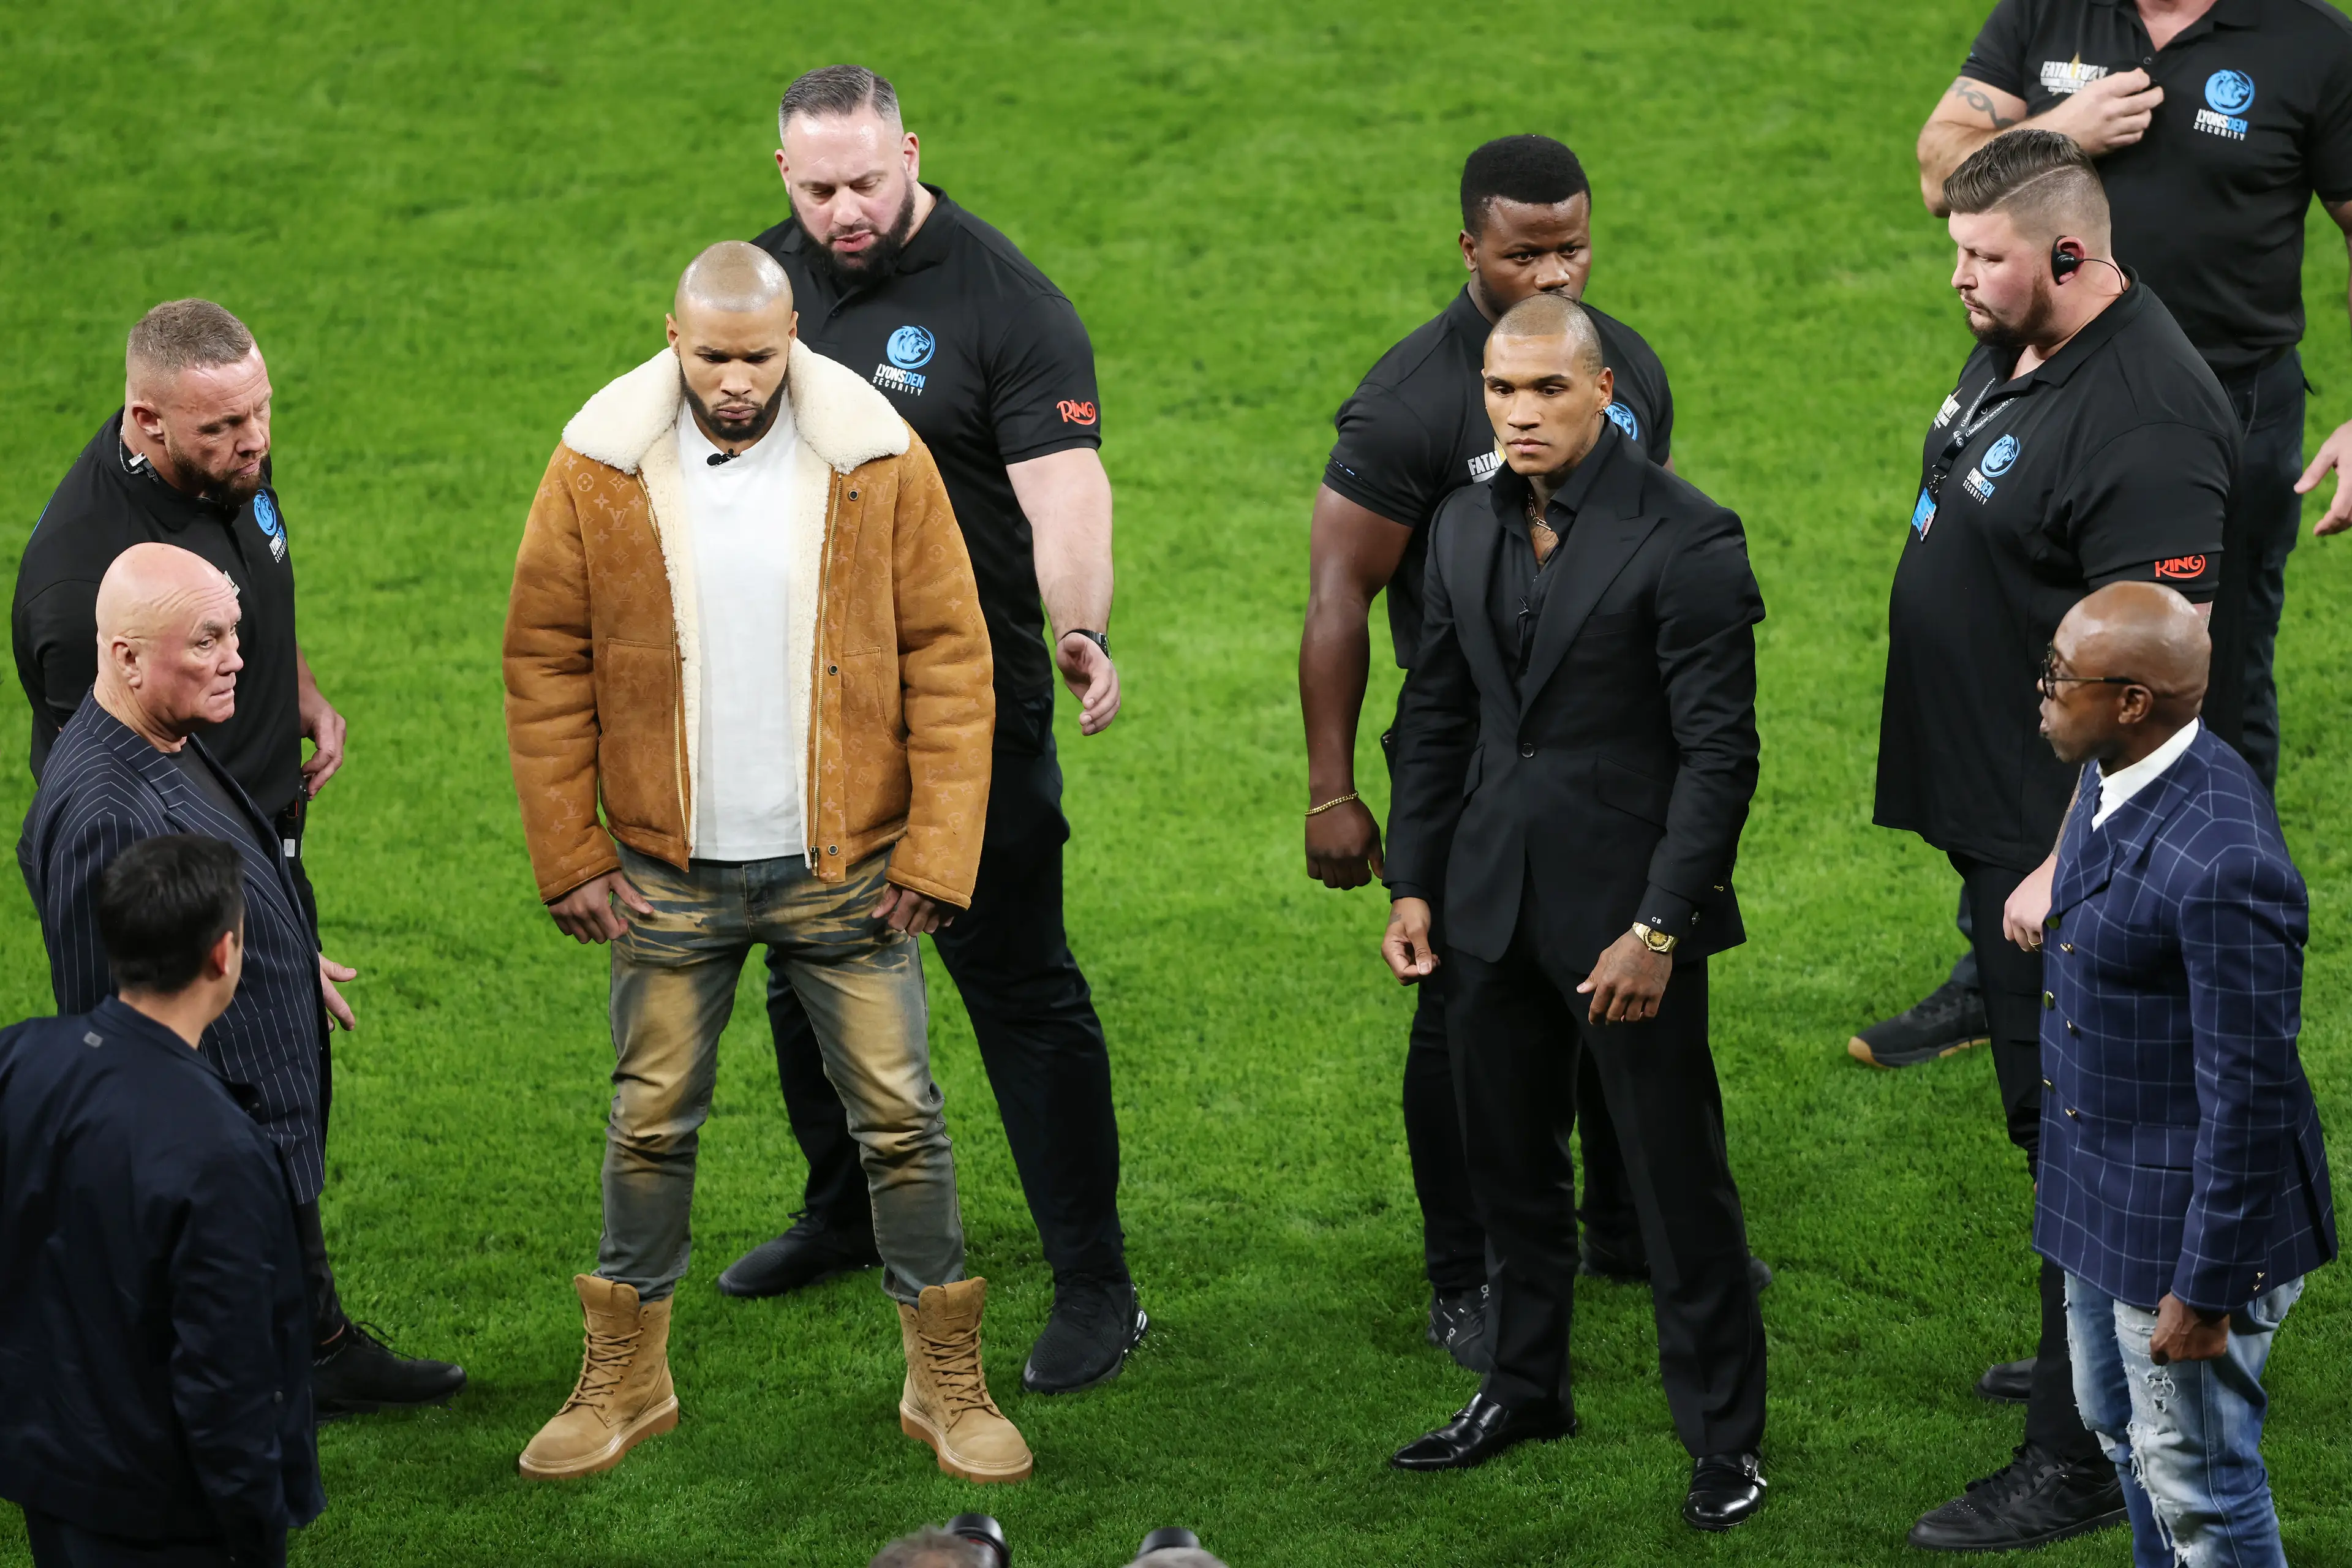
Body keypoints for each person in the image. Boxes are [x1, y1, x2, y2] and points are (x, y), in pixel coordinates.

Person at [503, 243, 1027, 1483]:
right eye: (715, 355)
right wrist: (571, 848)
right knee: (647, 1119)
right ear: (671, 337)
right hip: (662, 875)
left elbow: (954, 657)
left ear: (795, 336)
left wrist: (940, 851)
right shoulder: (595, 465)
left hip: (847, 869)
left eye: (761, 354)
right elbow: (544, 657)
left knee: (903, 1121)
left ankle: (945, 1380)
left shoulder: (878, 458)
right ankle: (626, 1373)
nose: (737, 381)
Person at [739, 62, 1142, 1397]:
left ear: (912, 150)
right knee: (800, 955)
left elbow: (1063, 492)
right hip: (799, 704)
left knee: (1020, 989)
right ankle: (842, 1210)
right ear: (781, 173)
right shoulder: (757, 286)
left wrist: (1079, 621)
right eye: (818, 187)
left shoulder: (1005, 305)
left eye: (867, 179)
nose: (845, 209)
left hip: (964, 714)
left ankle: (1098, 1284)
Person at [1874, 133, 2237, 1553]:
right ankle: (2087, 1342)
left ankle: (2074, 1457)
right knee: (2052, 1128)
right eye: (1954, 255)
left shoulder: (2145, 423)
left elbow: (2155, 678)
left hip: (2064, 841)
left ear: (2072, 258)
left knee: (2093, 1131)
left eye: (1983, 259)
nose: (1958, 279)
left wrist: (2059, 856)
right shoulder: (2018, 335)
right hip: (1998, 815)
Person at [1868, 0, 2352, 1068]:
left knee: (2197, 683)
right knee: (2034, 674)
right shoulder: (2049, 11)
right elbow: (1942, 162)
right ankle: (2006, 961)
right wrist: (2057, 134)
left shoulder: (2309, 42)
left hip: (2214, 413)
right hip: (2055, 375)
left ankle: (2205, 956)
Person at [9, 298, 459, 1418]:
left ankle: (307, 1339)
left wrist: (290, 684)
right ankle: (204, 1372)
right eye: (221, 431)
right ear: (145, 420)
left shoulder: (221, 465)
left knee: (285, 1093)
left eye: (260, 413)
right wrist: (240, 946)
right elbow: (122, 805)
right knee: (202, 1119)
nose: (253, 444)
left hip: (251, 837)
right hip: (191, 873)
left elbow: (252, 574)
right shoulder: (85, 591)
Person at [1298, 134, 1704, 1366]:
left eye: (1574, 244)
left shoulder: (1618, 365)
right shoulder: (1411, 400)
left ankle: (1630, 1227)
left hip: (1602, 756)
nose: (1556, 271)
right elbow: (1337, 598)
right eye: (1527, 251)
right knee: (1466, 1021)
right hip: (1470, 758)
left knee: (1618, 985)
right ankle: (1463, 1268)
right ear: (1469, 247)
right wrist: (1332, 789)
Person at [1381, 294, 1769, 1533]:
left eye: (1547, 389)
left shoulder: (1691, 536)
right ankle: (1525, 1387)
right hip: (1488, 908)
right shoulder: (1458, 524)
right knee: (1511, 1172)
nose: (1521, 412)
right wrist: (1414, 880)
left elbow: (1722, 760)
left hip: (1626, 922)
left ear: (1603, 392)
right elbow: (1436, 719)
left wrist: (1660, 927)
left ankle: (1724, 1440)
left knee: (1673, 1184)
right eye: (1502, 391)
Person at [2033, 582, 2334, 1568]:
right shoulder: (2118, 765)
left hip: (2184, 1232)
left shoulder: (2225, 863)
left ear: (2132, 702)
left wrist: (2205, 1291)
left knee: (2201, 1488)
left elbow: (2247, 1095)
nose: (2040, 690)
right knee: (2124, 1441)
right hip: (2099, 1193)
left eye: (2060, 677)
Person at [0, 834, 323, 1568]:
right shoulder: (224, 1153)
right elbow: (228, 1378)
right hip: (164, 1511)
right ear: (224, 954)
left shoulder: (18, 1056)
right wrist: (257, 1532)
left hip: (47, 1466)